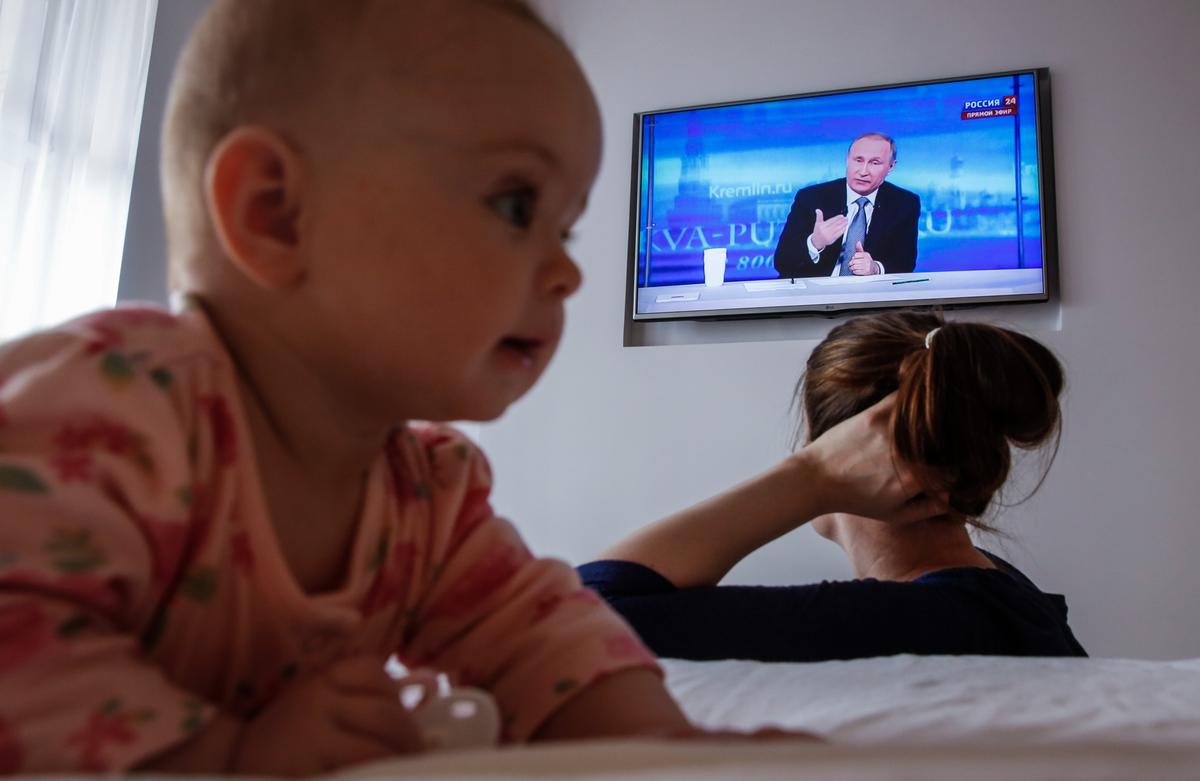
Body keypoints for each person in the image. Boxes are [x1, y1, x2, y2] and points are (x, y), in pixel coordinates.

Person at [0, 1, 944, 773]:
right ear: (276, 213)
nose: (568, 274)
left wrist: (664, 745)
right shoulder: (117, 405)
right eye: (515, 204)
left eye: (567, 230)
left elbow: (539, 635)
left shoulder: (426, 491)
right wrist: (219, 755)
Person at [579, 311, 1087, 662]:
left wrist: (810, 479)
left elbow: (580, 620)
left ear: (837, 443)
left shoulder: (902, 621)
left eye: (810, 443)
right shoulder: (1000, 591)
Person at [772, 133, 920, 279]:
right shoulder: (811, 198)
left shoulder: (905, 203)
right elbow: (782, 263)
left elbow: (905, 264)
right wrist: (814, 243)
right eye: (858, 160)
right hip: (814, 294)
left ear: (890, 167)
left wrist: (876, 268)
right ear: (847, 159)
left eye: (875, 163)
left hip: (868, 296)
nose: (863, 172)